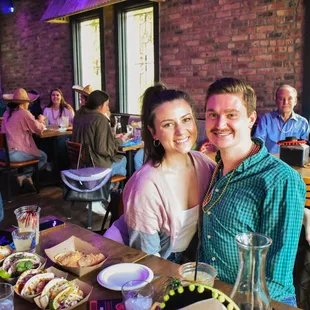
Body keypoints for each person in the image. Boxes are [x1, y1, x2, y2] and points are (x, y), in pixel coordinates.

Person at [200, 77, 305, 307]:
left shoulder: (280, 179)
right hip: (212, 293)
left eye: (231, 115)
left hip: (255, 302)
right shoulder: (214, 167)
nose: (219, 124)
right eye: (212, 114)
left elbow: (275, 279)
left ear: (251, 119)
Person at [110, 84, 215, 262]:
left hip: (186, 256)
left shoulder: (204, 164)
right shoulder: (146, 186)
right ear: (154, 132)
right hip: (147, 260)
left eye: (186, 119)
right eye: (168, 124)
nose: (181, 131)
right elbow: (147, 259)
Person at [72, 90, 128, 214]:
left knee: (118, 161)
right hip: (96, 167)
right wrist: (120, 140)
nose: (108, 107)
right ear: (99, 106)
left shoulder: (80, 114)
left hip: (79, 165)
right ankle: (101, 196)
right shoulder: (99, 119)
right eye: (106, 105)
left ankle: (103, 192)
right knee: (124, 160)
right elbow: (104, 150)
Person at [1, 88, 47, 192]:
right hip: (16, 153)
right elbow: (38, 129)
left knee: (33, 153)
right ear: (24, 103)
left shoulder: (7, 114)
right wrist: (41, 120)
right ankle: (24, 175)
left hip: (5, 153)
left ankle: (26, 177)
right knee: (43, 156)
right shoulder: (24, 113)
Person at [254, 84, 309, 154]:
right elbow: (258, 145)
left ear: (295, 101)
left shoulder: (303, 123)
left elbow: (306, 149)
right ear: (276, 101)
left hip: (294, 163)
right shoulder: (265, 119)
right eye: (281, 98)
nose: (285, 102)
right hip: (270, 162)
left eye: (290, 99)